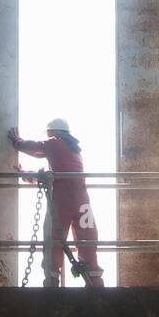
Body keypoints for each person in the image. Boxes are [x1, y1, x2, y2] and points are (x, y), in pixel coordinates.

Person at [8, 118, 104, 288]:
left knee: (53, 241)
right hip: (83, 202)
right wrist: (26, 174)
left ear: (54, 132)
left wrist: (17, 142)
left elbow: (37, 148)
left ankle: (51, 284)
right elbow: (49, 174)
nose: (48, 136)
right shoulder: (74, 151)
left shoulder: (55, 143)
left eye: (49, 133)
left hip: (62, 202)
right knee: (87, 241)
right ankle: (95, 284)